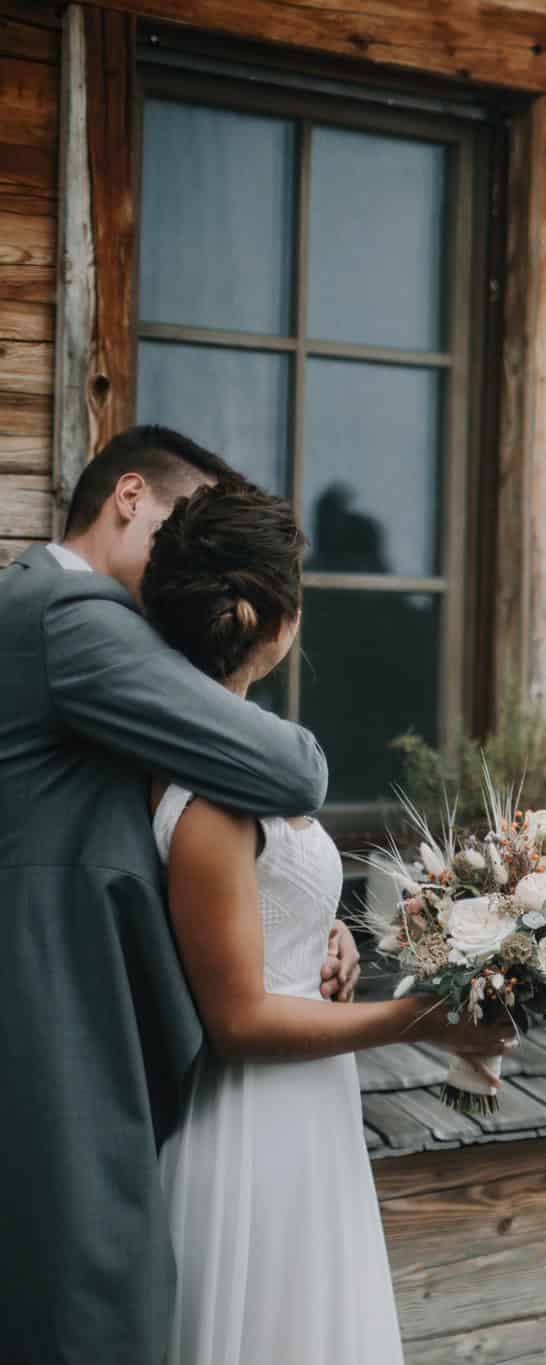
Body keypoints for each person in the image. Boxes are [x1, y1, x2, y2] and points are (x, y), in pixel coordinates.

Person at [139, 481, 513, 1365]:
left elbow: (258, 904)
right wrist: (416, 1020)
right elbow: (237, 1019)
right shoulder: (211, 791)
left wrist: (323, 933)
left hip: (308, 1104)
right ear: (278, 621)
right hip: (249, 1121)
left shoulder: (243, 747)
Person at [0, 426, 344, 1363]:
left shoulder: (53, 613)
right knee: (96, 1300)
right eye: (178, 529)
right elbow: (296, 770)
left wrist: (300, 916)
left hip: (93, 1007)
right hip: (62, 1012)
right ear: (128, 497)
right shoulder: (72, 616)